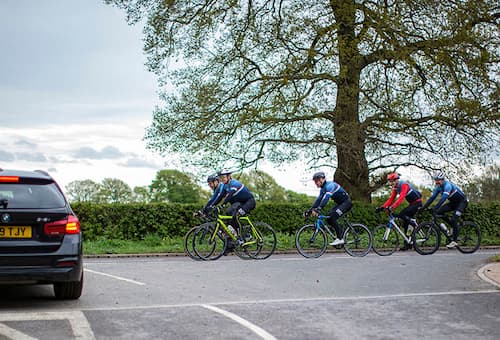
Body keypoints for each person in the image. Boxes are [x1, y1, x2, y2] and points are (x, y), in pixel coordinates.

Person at [421, 171, 468, 248]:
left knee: (453, 219)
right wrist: (424, 207)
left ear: (442, 179)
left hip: (462, 202)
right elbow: (432, 198)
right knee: (439, 212)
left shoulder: (448, 186)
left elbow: (443, 198)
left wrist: (436, 207)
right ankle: (451, 228)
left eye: (438, 180)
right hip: (453, 203)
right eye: (435, 180)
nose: (436, 182)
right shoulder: (438, 188)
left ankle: (454, 241)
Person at [376, 173, 422, 250]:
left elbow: (401, 198)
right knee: (405, 223)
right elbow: (391, 199)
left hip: (417, 203)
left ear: (397, 180)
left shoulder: (404, 185)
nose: (391, 183)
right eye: (390, 182)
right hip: (412, 204)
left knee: (402, 214)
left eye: (392, 181)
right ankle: (408, 244)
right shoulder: (395, 188)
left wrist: (392, 207)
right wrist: (382, 207)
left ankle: (415, 225)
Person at [306, 171, 352, 246]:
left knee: (333, 217)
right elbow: (318, 200)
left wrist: (319, 208)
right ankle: (342, 233)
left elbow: (326, 198)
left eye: (316, 181)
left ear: (322, 179)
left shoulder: (330, 185)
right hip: (340, 204)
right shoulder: (323, 189)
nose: (316, 183)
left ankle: (340, 238)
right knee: (329, 217)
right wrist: (310, 210)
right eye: (315, 181)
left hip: (346, 203)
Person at [217, 168, 256, 237]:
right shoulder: (225, 186)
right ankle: (234, 236)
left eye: (223, 177)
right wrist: (212, 206)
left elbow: (229, 195)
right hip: (241, 203)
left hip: (249, 202)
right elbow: (219, 197)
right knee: (229, 212)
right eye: (220, 178)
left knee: (236, 215)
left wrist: (223, 204)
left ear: (229, 176)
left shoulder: (234, 183)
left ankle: (243, 236)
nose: (222, 179)